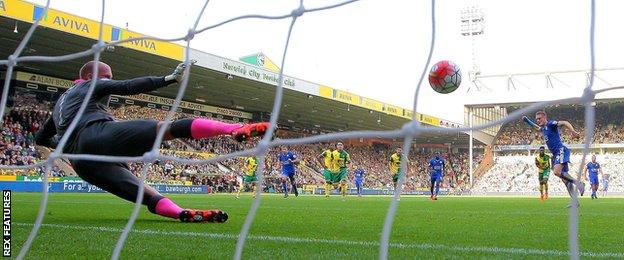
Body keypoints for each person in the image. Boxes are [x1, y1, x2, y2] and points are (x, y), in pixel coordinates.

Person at [35, 61, 270, 223]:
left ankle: (181, 213)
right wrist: (168, 79)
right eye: (106, 78)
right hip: (98, 134)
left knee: (144, 194)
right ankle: (236, 129)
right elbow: (126, 87)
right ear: (89, 76)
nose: (109, 82)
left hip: (83, 163)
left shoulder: (58, 105)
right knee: (168, 129)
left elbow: (41, 138)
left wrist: (69, 145)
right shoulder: (89, 84)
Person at [523, 112, 585, 208]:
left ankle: (579, 184)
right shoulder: (543, 129)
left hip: (561, 151)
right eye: (537, 119)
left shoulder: (551, 124)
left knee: (556, 172)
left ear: (544, 118)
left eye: (539, 118)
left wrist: (572, 131)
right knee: (565, 180)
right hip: (556, 154)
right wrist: (528, 121)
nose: (538, 120)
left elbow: (564, 122)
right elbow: (536, 127)